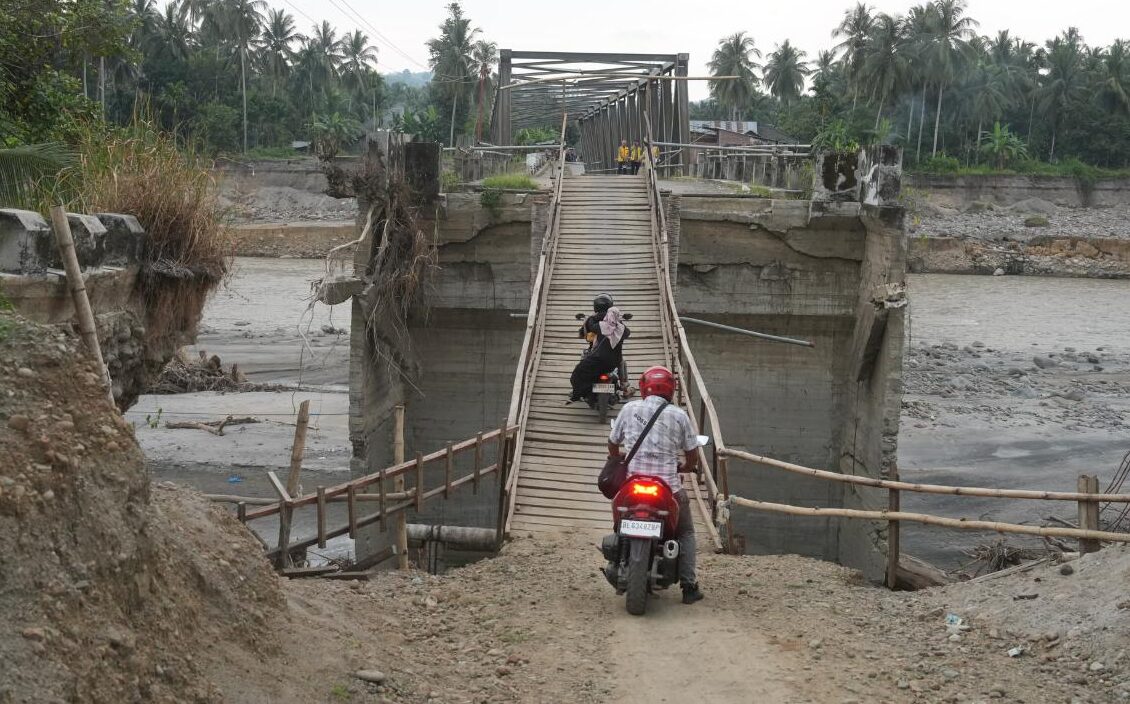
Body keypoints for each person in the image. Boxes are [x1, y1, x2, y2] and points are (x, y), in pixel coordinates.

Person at [607, 366, 704, 604]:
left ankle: (618, 552)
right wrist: (685, 467)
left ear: (643, 387)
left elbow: (612, 443)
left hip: (633, 483)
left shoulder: (629, 409)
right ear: (671, 390)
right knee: (686, 531)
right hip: (667, 485)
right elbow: (692, 455)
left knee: (619, 515)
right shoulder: (680, 415)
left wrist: (618, 458)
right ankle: (689, 587)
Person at [569, 294, 629, 404]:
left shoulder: (596, 323)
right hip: (614, 358)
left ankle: (578, 391)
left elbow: (583, 333)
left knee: (580, 368)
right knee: (621, 361)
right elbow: (627, 333)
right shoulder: (619, 325)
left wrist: (589, 320)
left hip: (596, 356)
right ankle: (624, 387)